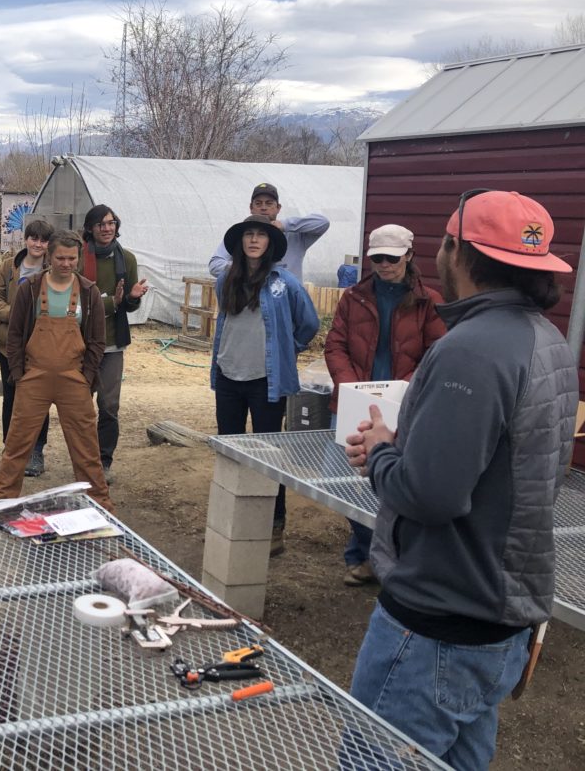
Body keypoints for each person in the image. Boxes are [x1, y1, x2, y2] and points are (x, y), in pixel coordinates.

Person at [345, 190, 576, 770]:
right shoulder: (545, 339)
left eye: (446, 242)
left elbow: (432, 495)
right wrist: (411, 446)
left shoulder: (470, 350)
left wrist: (380, 453)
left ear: (459, 250)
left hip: (437, 624)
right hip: (497, 616)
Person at [324, 223, 445, 586]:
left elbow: (437, 352)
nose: (384, 265)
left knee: (394, 481)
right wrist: (350, 388)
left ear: (409, 256)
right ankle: (370, 551)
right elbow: (335, 345)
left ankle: (378, 558)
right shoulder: (352, 297)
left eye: (391, 258)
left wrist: (404, 389)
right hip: (355, 400)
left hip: (405, 406)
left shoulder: (429, 302)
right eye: (377, 258)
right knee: (342, 480)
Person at [211, 215, 319, 555]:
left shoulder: (284, 283)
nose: (254, 240)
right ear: (240, 242)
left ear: (270, 243)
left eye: (261, 235)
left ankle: (274, 525)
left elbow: (309, 324)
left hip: (267, 381)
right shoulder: (226, 279)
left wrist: (286, 350)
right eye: (249, 235)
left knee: (270, 455)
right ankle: (233, 519)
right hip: (229, 375)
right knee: (230, 450)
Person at [0, 230, 114, 511]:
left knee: (86, 448)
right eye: (60, 258)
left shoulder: (89, 292)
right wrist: (20, 375)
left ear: (78, 258)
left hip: (75, 379)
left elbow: (97, 340)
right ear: (49, 256)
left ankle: (99, 504)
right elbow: (17, 334)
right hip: (34, 378)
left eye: (72, 258)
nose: (66, 263)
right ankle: (0, 502)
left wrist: (88, 376)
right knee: (17, 444)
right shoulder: (30, 288)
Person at [76, 204, 148, 483]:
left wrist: (132, 297)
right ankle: (82, 459)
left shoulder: (126, 259)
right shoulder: (80, 257)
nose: (107, 229)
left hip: (112, 344)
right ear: (91, 229)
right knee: (80, 406)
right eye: (100, 224)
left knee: (108, 406)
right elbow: (77, 301)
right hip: (80, 343)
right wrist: (111, 301)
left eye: (111, 223)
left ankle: (103, 460)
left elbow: (127, 307)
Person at [0, 217, 54, 476]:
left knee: (40, 400)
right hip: (10, 347)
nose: (38, 244)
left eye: (43, 240)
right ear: (26, 239)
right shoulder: (8, 267)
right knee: (12, 400)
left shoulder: (52, 271)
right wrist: (15, 315)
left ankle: (36, 452)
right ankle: (10, 452)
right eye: (34, 238)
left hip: (42, 347)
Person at [209, 182, 329, 283]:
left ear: (278, 208)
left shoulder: (294, 235)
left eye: (269, 203)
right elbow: (215, 265)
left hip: (286, 301)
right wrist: (244, 268)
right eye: (258, 203)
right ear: (251, 208)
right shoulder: (241, 234)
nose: (263, 208)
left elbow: (323, 222)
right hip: (251, 300)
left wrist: (285, 225)